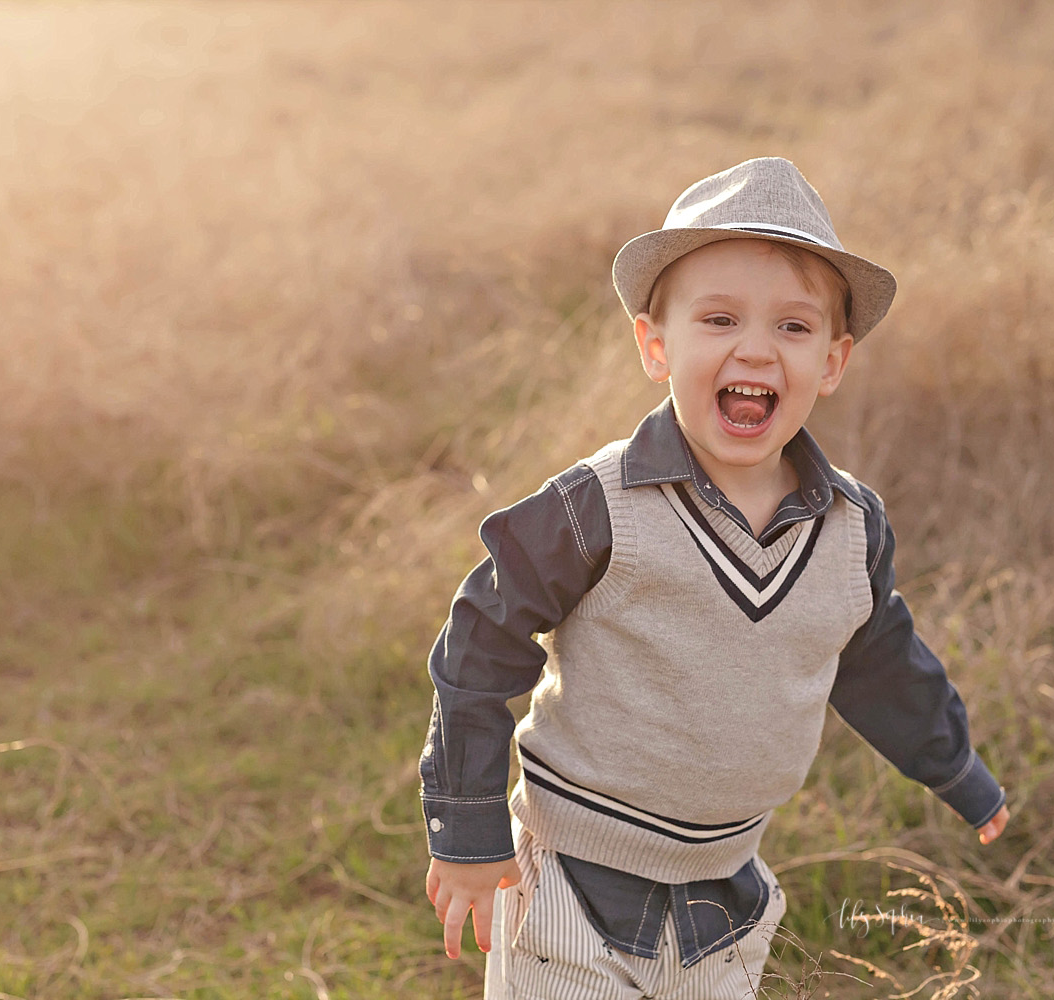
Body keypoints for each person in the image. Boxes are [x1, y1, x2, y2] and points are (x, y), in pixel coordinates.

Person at [419, 157, 1011, 999]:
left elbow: (880, 662)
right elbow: (480, 641)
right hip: (568, 886)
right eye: (721, 318)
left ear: (834, 362)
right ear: (657, 346)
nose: (757, 348)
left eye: (795, 328)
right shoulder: (600, 506)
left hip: (727, 895)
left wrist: (958, 772)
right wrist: (466, 828)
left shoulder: (850, 531)